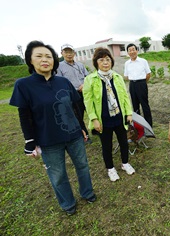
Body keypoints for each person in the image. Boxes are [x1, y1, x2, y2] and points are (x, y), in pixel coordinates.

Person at [9, 40, 96, 216]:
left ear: (54, 60)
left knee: (83, 166)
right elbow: (24, 116)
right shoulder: (23, 85)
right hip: (48, 140)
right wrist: (29, 141)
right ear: (30, 61)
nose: (44, 60)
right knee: (58, 175)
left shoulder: (63, 82)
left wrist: (82, 128)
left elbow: (74, 108)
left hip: (73, 135)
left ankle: (87, 192)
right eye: (39, 56)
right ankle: (67, 203)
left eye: (48, 56)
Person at [83, 47, 135, 182]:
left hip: (119, 116)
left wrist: (129, 113)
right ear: (96, 63)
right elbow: (88, 102)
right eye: (101, 60)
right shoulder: (90, 79)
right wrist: (94, 119)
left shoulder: (117, 77)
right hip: (103, 119)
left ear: (111, 61)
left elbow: (124, 96)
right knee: (107, 145)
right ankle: (111, 169)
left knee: (124, 142)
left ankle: (125, 163)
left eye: (107, 59)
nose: (105, 62)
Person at [56, 44, 91, 144]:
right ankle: (85, 135)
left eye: (70, 52)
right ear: (61, 53)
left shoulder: (80, 65)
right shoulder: (59, 66)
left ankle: (95, 130)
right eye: (66, 52)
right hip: (72, 94)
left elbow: (88, 77)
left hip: (86, 92)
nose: (68, 54)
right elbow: (59, 82)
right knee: (78, 115)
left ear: (74, 53)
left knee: (91, 111)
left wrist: (84, 84)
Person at [124, 43, 153, 127]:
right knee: (135, 105)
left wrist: (143, 83)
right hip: (132, 85)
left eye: (133, 49)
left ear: (137, 50)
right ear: (128, 53)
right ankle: (138, 125)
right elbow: (126, 76)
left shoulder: (143, 61)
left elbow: (148, 74)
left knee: (145, 105)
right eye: (130, 50)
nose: (132, 52)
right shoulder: (127, 63)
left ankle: (148, 125)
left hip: (142, 84)